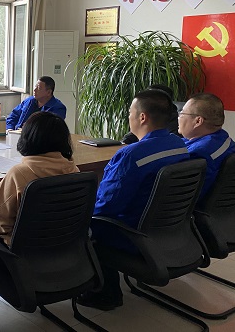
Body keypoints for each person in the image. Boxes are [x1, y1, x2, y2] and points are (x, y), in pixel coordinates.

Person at [77, 89, 190, 311]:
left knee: (87, 223)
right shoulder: (180, 145)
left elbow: (105, 207)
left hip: (132, 232)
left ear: (142, 117)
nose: (128, 116)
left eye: (130, 111)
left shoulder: (131, 155)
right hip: (168, 229)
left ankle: (104, 293)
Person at [0, 111, 79, 292]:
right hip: (65, 251)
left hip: (24, 256)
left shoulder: (20, 173)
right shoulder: (74, 171)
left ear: (28, 138)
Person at [178, 93, 235, 200]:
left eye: (182, 113)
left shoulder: (197, 155)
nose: (178, 117)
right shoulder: (223, 138)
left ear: (198, 121)